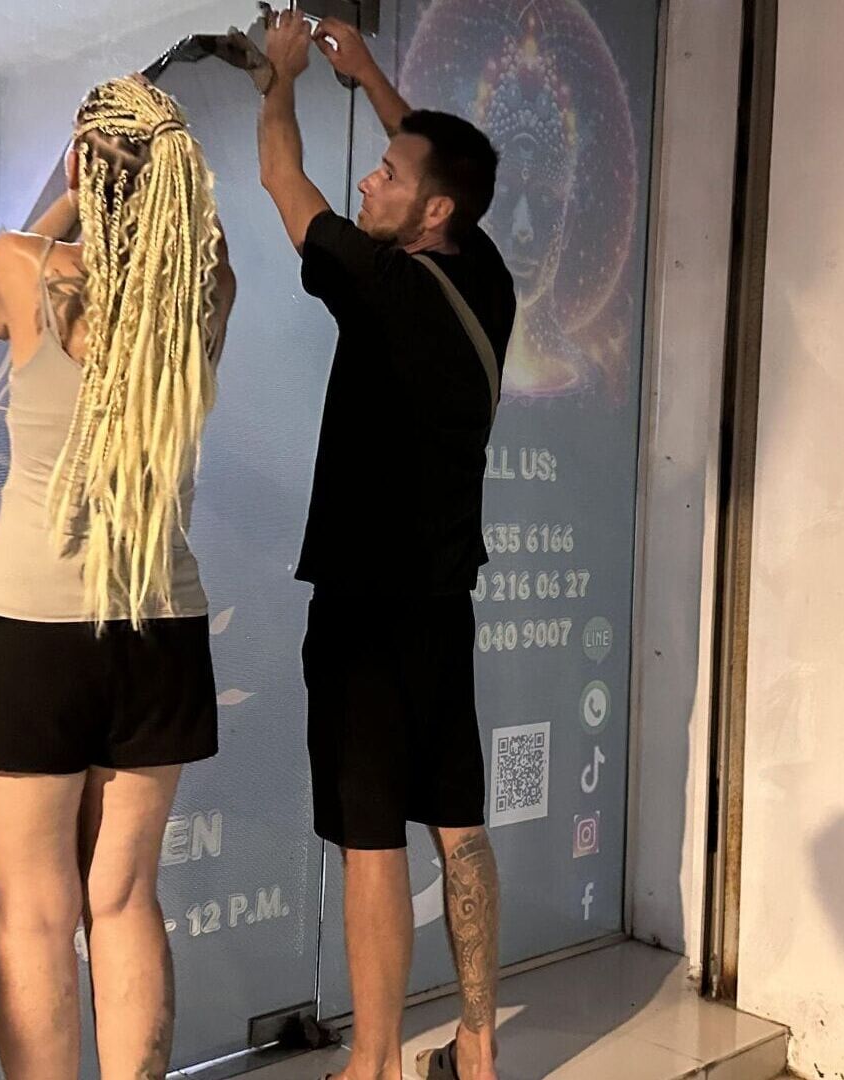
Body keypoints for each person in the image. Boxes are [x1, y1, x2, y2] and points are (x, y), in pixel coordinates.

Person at [0, 75, 235, 1080]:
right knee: (126, 898)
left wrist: (75, 192)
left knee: (33, 913)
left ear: (80, 163)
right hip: (159, 627)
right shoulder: (204, 295)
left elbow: (2, 272)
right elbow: (201, 245)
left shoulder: (28, 271)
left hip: (31, 630)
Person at [256, 10, 516, 1080]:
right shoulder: (481, 278)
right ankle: (477, 1050)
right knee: (459, 826)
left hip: (364, 611)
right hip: (442, 606)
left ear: (430, 209)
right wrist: (367, 74)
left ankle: (371, 1065)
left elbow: (284, 180)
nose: (369, 180)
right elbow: (434, 156)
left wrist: (281, 78)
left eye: (387, 177)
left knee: (371, 840)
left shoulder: (378, 282)